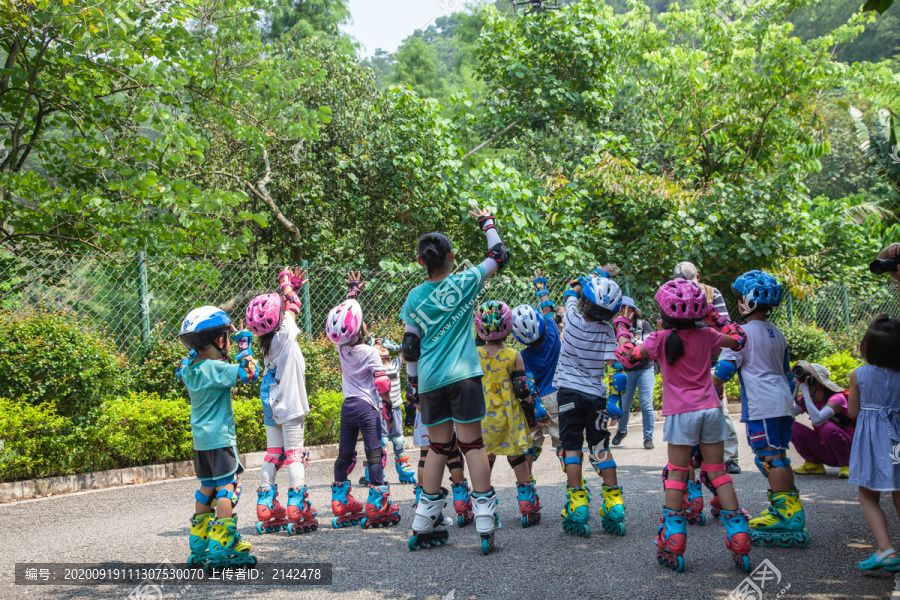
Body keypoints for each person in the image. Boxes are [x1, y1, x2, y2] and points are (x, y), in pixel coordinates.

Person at [617, 278, 751, 573]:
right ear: (699, 313)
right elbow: (739, 339)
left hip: (681, 415)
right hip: (711, 410)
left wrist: (622, 327)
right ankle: (739, 535)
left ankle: (674, 537)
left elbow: (627, 357)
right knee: (716, 472)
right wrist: (713, 318)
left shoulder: (659, 339)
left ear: (664, 315)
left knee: (678, 473)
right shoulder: (708, 336)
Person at [403, 205, 509, 555]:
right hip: (464, 376)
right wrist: (486, 222)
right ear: (451, 256)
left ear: (421, 262)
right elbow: (498, 254)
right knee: (472, 445)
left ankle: (423, 520)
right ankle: (483, 520)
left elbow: (410, 348)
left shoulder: (415, 297)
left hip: (431, 380)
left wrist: (413, 387)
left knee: (437, 447)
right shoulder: (465, 281)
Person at [714, 270, 809, 548]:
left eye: (740, 299)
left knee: (768, 459)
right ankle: (789, 508)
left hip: (763, 407)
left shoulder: (740, 333)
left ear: (748, 303)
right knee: (779, 457)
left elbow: (726, 368)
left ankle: (786, 515)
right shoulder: (776, 333)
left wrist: (707, 386)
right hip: (781, 403)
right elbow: (786, 372)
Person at [177, 306, 260, 569]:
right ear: (219, 339)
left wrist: (194, 351)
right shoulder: (216, 369)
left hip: (201, 442)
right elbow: (250, 372)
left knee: (206, 487)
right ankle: (222, 545)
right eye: (226, 335)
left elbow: (181, 367)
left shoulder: (189, 371)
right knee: (228, 487)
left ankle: (199, 544)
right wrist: (245, 346)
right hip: (221, 440)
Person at [246, 268, 318, 536]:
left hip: (271, 403)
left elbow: (287, 305)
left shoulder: (267, 341)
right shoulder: (285, 331)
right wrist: (286, 282)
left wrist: (290, 289)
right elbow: (293, 305)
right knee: (294, 454)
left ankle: (266, 505)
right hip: (289, 404)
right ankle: (297, 507)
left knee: (273, 454)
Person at [326, 272, 400, 529]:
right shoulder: (370, 352)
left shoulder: (341, 347)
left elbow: (346, 322)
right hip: (368, 408)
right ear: (360, 327)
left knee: (345, 454)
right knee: (374, 454)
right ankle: (378, 503)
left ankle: (340, 501)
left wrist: (352, 292)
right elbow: (381, 385)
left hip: (348, 407)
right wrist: (388, 407)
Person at [553, 273, 625, 539]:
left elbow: (568, 296)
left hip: (569, 395)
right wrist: (615, 401)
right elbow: (616, 372)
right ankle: (614, 503)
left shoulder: (571, 319)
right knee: (599, 447)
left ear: (584, 302)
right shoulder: (608, 331)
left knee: (571, 447)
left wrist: (580, 283)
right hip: (596, 397)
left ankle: (578, 503)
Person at [476, 300, 542, 528]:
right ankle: (527, 505)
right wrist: (531, 416)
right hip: (510, 416)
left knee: (486, 458)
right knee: (517, 457)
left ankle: (485, 507)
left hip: (483, 416)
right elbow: (522, 390)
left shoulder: (474, 355)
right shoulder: (513, 355)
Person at [674, 261, 741, 474]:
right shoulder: (671, 293)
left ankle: (729, 457)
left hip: (710, 363)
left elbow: (727, 328)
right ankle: (693, 456)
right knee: (687, 414)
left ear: (699, 278)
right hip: (684, 365)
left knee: (720, 411)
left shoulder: (713, 294)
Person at [848, 314, 900, 571]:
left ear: (867, 346)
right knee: (899, 488)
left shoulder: (859, 374)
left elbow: (853, 412)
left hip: (872, 443)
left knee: (869, 494)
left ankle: (885, 548)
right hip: (897, 443)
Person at [512, 269, 560, 475]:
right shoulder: (553, 334)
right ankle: (575, 491)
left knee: (530, 446)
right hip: (559, 397)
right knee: (564, 446)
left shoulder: (522, 356)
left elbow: (528, 382)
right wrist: (540, 286)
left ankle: (527, 487)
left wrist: (537, 404)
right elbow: (548, 309)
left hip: (536, 403)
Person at [364, 338, 417, 485]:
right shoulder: (372, 367)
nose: (380, 346)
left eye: (382, 345)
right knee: (382, 442)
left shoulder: (395, 363)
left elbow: (408, 352)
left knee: (399, 440)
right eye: (377, 345)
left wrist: (396, 347)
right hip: (379, 409)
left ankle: (403, 468)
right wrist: (369, 348)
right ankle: (372, 469)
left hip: (395, 408)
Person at [791, 361, 855, 479]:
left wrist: (804, 390)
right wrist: (795, 389)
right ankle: (814, 463)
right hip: (828, 450)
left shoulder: (837, 398)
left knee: (827, 427)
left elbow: (817, 419)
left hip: (850, 450)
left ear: (818, 383)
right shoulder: (809, 398)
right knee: (790, 425)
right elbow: (787, 414)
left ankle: (848, 464)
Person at [610, 296, 656, 450]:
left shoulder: (643, 325)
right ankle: (622, 430)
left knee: (646, 403)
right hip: (627, 371)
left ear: (633, 311)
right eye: (621, 309)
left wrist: (631, 349)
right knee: (624, 404)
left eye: (627, 309)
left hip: (645, 368)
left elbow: (649, 346)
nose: (624, 313)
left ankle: (648, 437)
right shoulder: (615, 328)